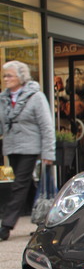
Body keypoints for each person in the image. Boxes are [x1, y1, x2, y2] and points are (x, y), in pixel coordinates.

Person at [0, 60, 55, 241]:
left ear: (21, 77)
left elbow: (47, 126)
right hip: (12, 146)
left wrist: (48, 153)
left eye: (9, 75)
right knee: (28, 185)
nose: (6, 78)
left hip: (30, 146)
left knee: (19, 184)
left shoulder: (36, 97)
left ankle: (6, 225)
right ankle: (44, 219)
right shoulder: (3, 98)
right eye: (4, 75)